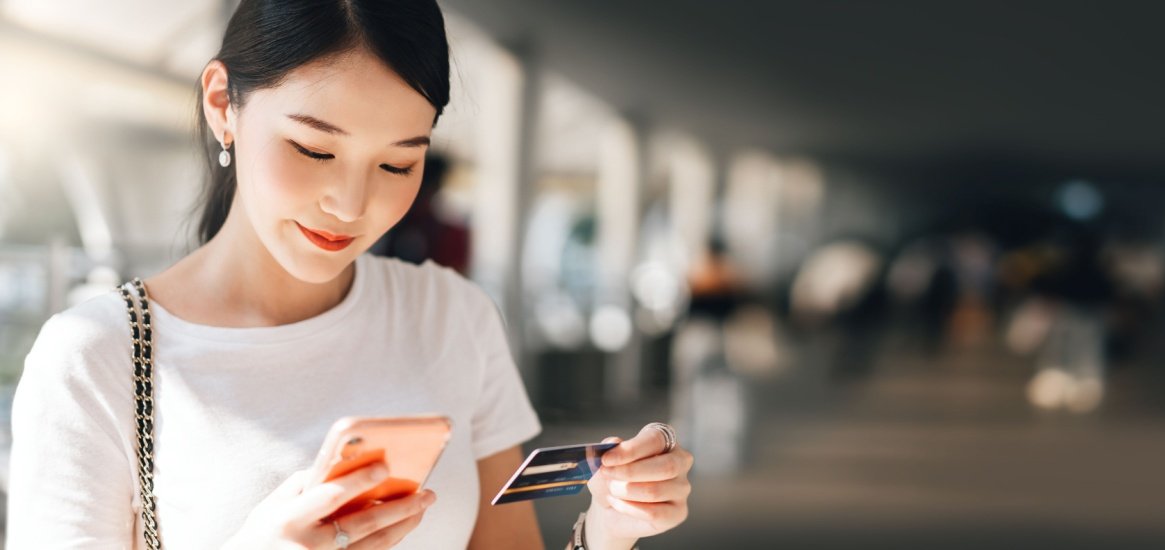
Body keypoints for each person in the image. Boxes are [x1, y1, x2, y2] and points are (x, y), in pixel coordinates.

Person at [5, 1, 693, 548]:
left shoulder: (453, 317)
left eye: (398, 164)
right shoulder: (97, 359)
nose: (352, 205)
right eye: (312, 148)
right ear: (223, 105)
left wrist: (607, 531)